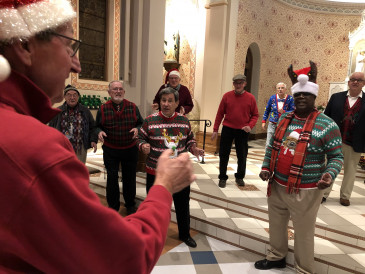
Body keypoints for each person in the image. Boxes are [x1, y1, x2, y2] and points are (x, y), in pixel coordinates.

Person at [0, 0, 195, 272]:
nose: (77, 65)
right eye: (69, 45)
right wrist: (163, 184)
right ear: (24, 46)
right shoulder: (34, 148)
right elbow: (125, 256)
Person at [254, 66, 343, 274]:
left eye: (307, 94)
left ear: (314, 96)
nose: (302, 97)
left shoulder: (327, 124)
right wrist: (267, 166)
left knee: (303, 232)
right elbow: (273, 146)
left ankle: (304, 268)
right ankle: (277, 256)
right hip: (277, 185)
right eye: (299, 94)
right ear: (294, 96)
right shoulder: (285, 119)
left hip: (306, 190)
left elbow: (337, 156)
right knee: (276, 225)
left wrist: (329, 174)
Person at [137, 87, 204, 248]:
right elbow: (140, 137)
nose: (166, 104)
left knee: (182, 205)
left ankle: (185, 234)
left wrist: (194, 148)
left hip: (178, 172)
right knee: (155, 207)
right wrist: (143, 145)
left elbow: (189, 140)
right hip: (156, 172)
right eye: (163, 100)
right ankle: (154, 236)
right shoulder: (149, 120)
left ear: (176, 103)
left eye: (169, 101)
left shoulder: (183, 121)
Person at [95, 80, 144, 215]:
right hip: (111, 150)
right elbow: (97, 126)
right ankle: (113, 207)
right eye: (115, 89)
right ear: (109, 92)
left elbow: (141, 123)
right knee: (112, 178)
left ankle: (130, 205)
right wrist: (99, 132)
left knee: (129, 178)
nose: (118, 91)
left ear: (124, 92)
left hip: (130, 149)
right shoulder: (103, 108)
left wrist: (137, 129)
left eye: (120, 89)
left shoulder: (133, 107)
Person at [322, 72, 365, 206]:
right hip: (333, 140)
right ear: (348, 82)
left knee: (350, 171)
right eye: (353, 79)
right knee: (329, 167)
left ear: (363, 83)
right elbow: (325, 117)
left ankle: (345, 196)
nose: (355, 82)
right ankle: (323, 194)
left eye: (359, 80)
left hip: (354, 142)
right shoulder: (336, 97)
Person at [211, 74, 259, 188]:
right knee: (223, 154)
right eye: (236, 83)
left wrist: (250, 126)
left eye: (240, 83)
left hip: (242, 131)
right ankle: (222, 177)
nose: (238, 85)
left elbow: (255, 115)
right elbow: (220, 114)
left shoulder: (250, 98)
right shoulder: (227, 96)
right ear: (233, 84)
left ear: (244, 84)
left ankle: (239, 177)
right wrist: (215, 129)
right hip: (227, 128)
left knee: (242, 155)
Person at [49, 85, 98, 163]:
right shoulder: (58, 111)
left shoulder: (85, 111)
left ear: (78, 97)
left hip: (80, 147)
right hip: (62, 147)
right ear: (64, 97)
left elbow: (93, 127)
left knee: (78, 170)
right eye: (69, 95)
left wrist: (93, 140)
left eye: (75, 95)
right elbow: (50, 129)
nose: (72, 97)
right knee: (63, 170)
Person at [262, 82, 295, 148]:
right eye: (278, 88)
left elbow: (293, 111)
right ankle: (268, 157)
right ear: (276, 90)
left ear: (285, 89)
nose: (280, 89)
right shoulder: (272, 98)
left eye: (282, 88)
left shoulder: (290, 99)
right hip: (272, 123)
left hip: (285, 124)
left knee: (282, 142)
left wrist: (284, 112)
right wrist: (264, 121)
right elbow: (267, 110)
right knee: (269, 142)